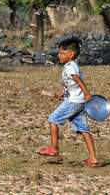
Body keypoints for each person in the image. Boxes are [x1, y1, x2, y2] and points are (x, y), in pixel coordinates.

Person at [36, 37, 99, 166]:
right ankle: (93, 158)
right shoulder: (71, 66)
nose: (59, 55)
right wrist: (63, 94)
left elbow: (77, 80)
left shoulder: (70, 66)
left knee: (53, 120)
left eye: (62, 52)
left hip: (74, 102)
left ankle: (54, 148)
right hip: (79, 102)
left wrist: (87, 93)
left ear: (71, 54)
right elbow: (71, 84)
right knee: (83, 129)